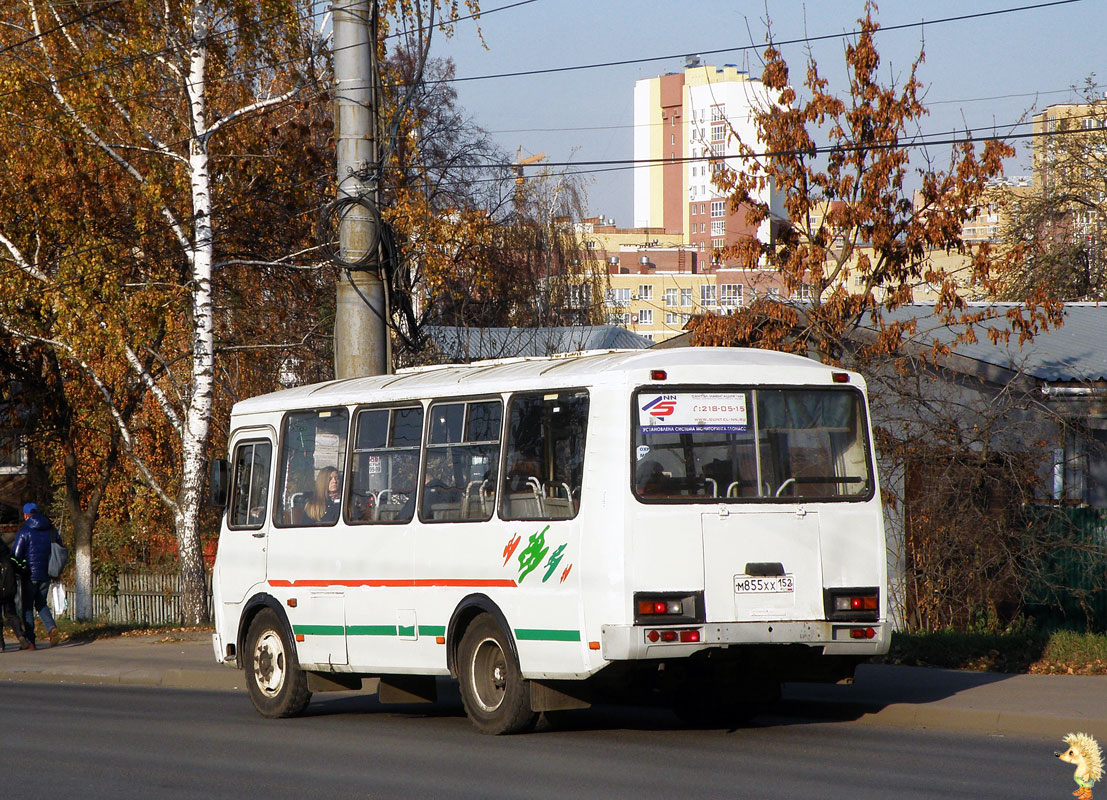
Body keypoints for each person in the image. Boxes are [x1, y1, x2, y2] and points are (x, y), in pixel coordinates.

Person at [12, 502, 61, 648]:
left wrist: (18, 569)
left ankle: (30, 641)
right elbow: (59, 547)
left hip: (29, 575)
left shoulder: (24, 532)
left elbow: (16, 555)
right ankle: (51, 628)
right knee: (41, 603)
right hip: (46, 573)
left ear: (26, 515)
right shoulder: (50, 529)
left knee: (27, 607)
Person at [0, 537, 29, 651]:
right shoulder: (9, 557)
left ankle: (1, 644)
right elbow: (21, 567)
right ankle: (21, 636)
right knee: (11, 614)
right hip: (9, 590)